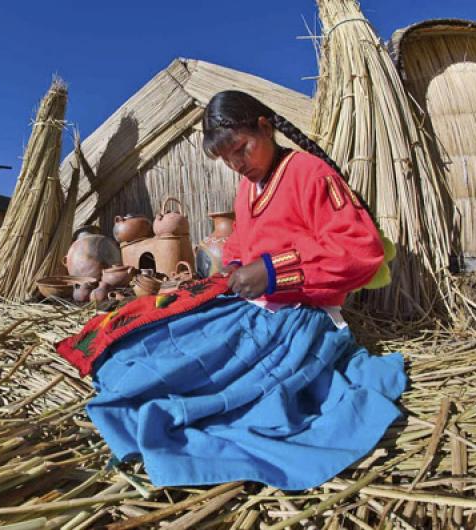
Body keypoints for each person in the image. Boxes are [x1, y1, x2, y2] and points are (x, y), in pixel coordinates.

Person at [57, 90, 405, 490]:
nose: (238, 165)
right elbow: (241, 242)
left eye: (242, 149)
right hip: (251, 304)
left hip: (296, 314)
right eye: (227, 160)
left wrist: (274, 271)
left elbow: (360, 249)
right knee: (151, 337)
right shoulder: (247, 189)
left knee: (212, 377)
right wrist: (238, 268)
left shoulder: (308, 172)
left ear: (265, 126)